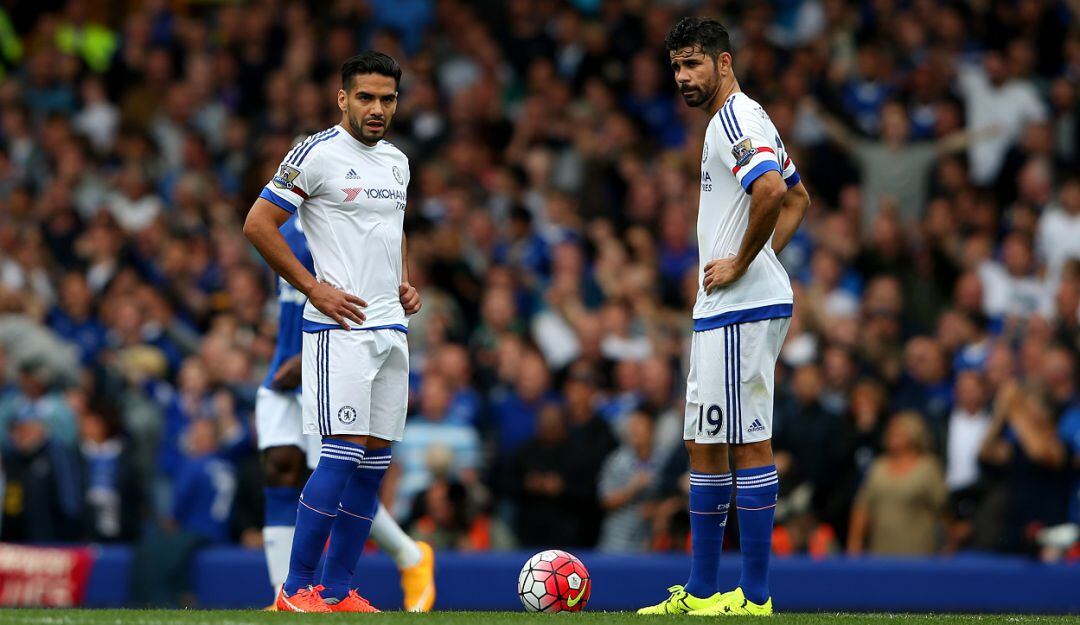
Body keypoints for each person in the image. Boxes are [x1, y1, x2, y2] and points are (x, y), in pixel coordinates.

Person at [639, 17, 809, 617]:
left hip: (741, 304)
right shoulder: (738, 119)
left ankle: (755, 598)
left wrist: (742, 264)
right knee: (704, 442)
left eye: (694, 63)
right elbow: (799, 197)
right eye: (677, 66)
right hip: (728, 305)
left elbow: (771, 193)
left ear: (724, 62)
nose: (684, 76)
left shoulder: (736, 117)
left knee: (747, 442)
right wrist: (755, 259)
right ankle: (705, 592)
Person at [244, 51, 421, 613]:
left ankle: (341, 591)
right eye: (365, 97)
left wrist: (405, 280)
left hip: (392, 328)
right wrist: (311, 287)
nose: (377, 109)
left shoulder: (397, 161)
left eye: (387, 99)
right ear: (342, 98)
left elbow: (391, 232)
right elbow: (257, 223)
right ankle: (296, 590)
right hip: (338, 328)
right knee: (339, 457)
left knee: (373, 466)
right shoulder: (316, 153)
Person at [254, 214, 434, 611]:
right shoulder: (284, 227)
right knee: (279, 467)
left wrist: (307, 357)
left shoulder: (343, 221)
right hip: (285, 367)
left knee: (340, 469)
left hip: (327, 358)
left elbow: (361, 288)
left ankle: (408, 555)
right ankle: (281, 596)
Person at [846, 412, 947, 556]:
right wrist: (854, 542)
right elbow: (862, 506)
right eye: (890, 432)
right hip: (881, 551)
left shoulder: (928, 467)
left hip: (918, 552)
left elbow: (943, 509)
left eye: (898, 432)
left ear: (914, 434)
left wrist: (947, 546)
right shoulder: (878, 466)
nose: (892, 435)